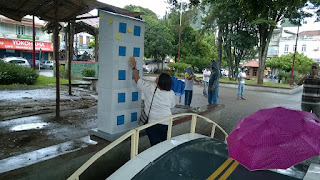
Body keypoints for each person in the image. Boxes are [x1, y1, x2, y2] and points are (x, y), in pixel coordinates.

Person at [129, 56, 176, 146]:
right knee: (165, 144)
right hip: (166, 123)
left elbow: (137, 80)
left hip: (152, 123)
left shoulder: (150, 88)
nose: (156, 77)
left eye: (158, 77)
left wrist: (133, 67)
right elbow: (172, 105)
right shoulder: (171, 93)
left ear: (160, 82)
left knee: (154, 145)